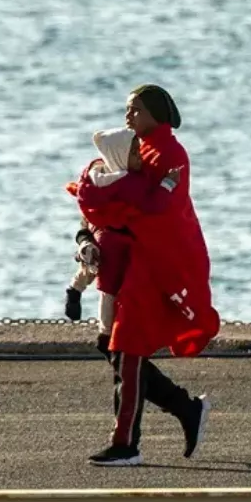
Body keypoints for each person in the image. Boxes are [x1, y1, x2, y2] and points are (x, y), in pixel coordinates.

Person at [73, 84, 220, 466]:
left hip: (155, 262)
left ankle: (126, 444)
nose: (128, 116)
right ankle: (186, 409)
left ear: (158, 113)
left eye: (135, 109)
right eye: (127, 109)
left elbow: (157, 209)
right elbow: (110, 194)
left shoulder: (171, 153)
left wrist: (115, 205)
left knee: (129, 350)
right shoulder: (132, 148)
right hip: (129, 262)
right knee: (112, 348)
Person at [63, 126, 182, 356]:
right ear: (120, 156)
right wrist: (168, 183)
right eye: (135, 153)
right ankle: (105, 334)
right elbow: (153, 204)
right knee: (109, 289)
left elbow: (86, 215)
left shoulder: (96, 178)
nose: (141, 158)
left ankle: (74, 289)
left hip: (98, 235)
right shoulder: (130, 184)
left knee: (90, 268)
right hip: (116, 242)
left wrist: (85, 239)